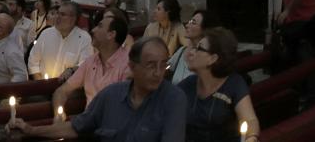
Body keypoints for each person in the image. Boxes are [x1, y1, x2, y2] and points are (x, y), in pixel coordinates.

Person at [10, 37, 186, 142]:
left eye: (163, 65)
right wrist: (32, 130)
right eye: (150, 65)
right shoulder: (111, 95)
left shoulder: (173, 99)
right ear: (132, 66)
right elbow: (75, 128)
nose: (158, 73)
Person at [178, 28, 260, 142]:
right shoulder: (187, 84)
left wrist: (251, 137)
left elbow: (250, 120)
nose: (191, 52)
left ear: (213, 59)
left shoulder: (234, 83)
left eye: (198, 49)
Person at [52, 12, 131, 111]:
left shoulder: (129, 65)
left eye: (99, 26)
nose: (93, 30)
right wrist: (58, 115)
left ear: (111, 34)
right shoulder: (90, 62)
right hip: (88, 123)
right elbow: (61, 91)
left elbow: (125, 107)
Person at [29, 1, 93, 81]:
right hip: (41, 85)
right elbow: (33, 60)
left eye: (62, 15)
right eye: (57, 13)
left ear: (74, 18)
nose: (57, 17)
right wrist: (40, 81)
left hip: (67, 89)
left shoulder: (84, 38)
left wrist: (71, 70)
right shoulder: (46, 33)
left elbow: (85, 65)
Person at [166, 9, 212, 84]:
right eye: (189, 22)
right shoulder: (182, 51)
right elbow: (168, 67)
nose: (187, 25)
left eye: (193, 23)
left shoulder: (206, 56)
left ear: (204, 29)